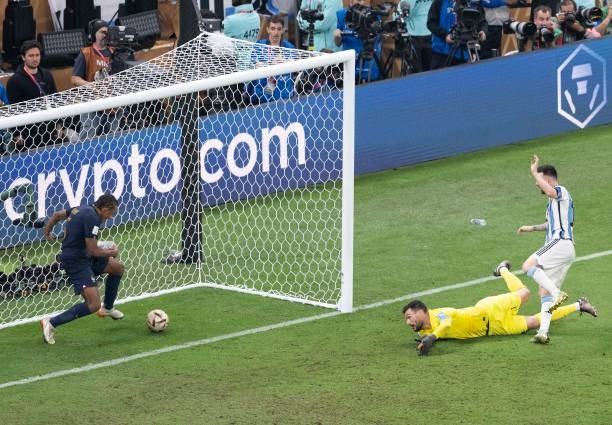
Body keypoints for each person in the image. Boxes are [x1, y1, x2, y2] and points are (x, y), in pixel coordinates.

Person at [403, 261, 598, 355]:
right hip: (494, 329)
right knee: (535, 322)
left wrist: (432, 338)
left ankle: (502, 269)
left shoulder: (439, 315)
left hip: (490, 310)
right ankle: (579, 305)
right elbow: (431, 335)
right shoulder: (426, 330)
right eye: (407, 319)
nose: (409, 322)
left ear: (422, 311)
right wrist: (426, 340)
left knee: (525, 293)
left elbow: (446, 324)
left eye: (410, 316)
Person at [40, 194, 125, 345]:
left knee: (117, 268)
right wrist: (112, 252)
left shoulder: (82, 209)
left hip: (84, 256)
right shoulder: (93, 218)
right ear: (104, 209)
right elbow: (94, 251)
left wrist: (47, 230)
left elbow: (57, 214)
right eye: (111, 214)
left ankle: (108, 308)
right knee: (93, 305)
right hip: (76, 262)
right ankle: (51, 322)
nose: (110, 217)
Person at [518, 155, 575, 344]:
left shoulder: (561, 191)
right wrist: (531, 228)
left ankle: (558, 294)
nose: (537, 185)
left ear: (548, 179)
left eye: (539, 180)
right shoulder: (552, 204)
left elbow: (551, 192)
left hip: (560, 243)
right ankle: (543, 332)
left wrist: (534, 172)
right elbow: (548, 224)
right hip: (565, 250)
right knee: (544, 293)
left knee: (528, 265)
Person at [5, 40, 63, 151]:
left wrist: (59, 125)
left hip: (49, 128)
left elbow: (55, 100)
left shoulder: (47, 75)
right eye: (31, 55)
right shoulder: (14, 81)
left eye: (37, 55)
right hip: (28, 133)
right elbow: (12, 109)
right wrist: (17, 133)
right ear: (23, 57)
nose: (35, 58)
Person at [71, 20, 123, 140]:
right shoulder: (86, 53)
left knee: (112, 140)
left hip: (112, 105)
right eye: (102, 32)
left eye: (107, 32)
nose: (105, 34)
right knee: (88, 139)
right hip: (91, 105)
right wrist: (92, 86)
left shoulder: (114, 53)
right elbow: (74, 79)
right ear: (94, 34)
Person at [247, 15, 296, 104]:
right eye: (273, 29)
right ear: (268, 29)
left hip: (284, 98)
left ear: (283, 30)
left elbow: (292, 66)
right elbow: (255, 65)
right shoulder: (259, 46)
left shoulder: (289, 47)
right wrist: (272, 63)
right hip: (261, 98)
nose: (276, 32)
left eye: (278, 29)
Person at [427, 0, 488, 69]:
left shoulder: (472, 3)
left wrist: (483, 31)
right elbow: (431, 23)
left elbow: (483, 22)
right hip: (441, 52)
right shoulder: (440, 2)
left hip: (465, 53)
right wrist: (445, 36)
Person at [333, 0, 382, 83]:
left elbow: (377, 39)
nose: (360, 3)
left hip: (369, 66)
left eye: (362, 0)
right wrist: (337, 36)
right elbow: (338, 44)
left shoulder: (372, 15)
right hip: (349, 67)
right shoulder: (342, 15)